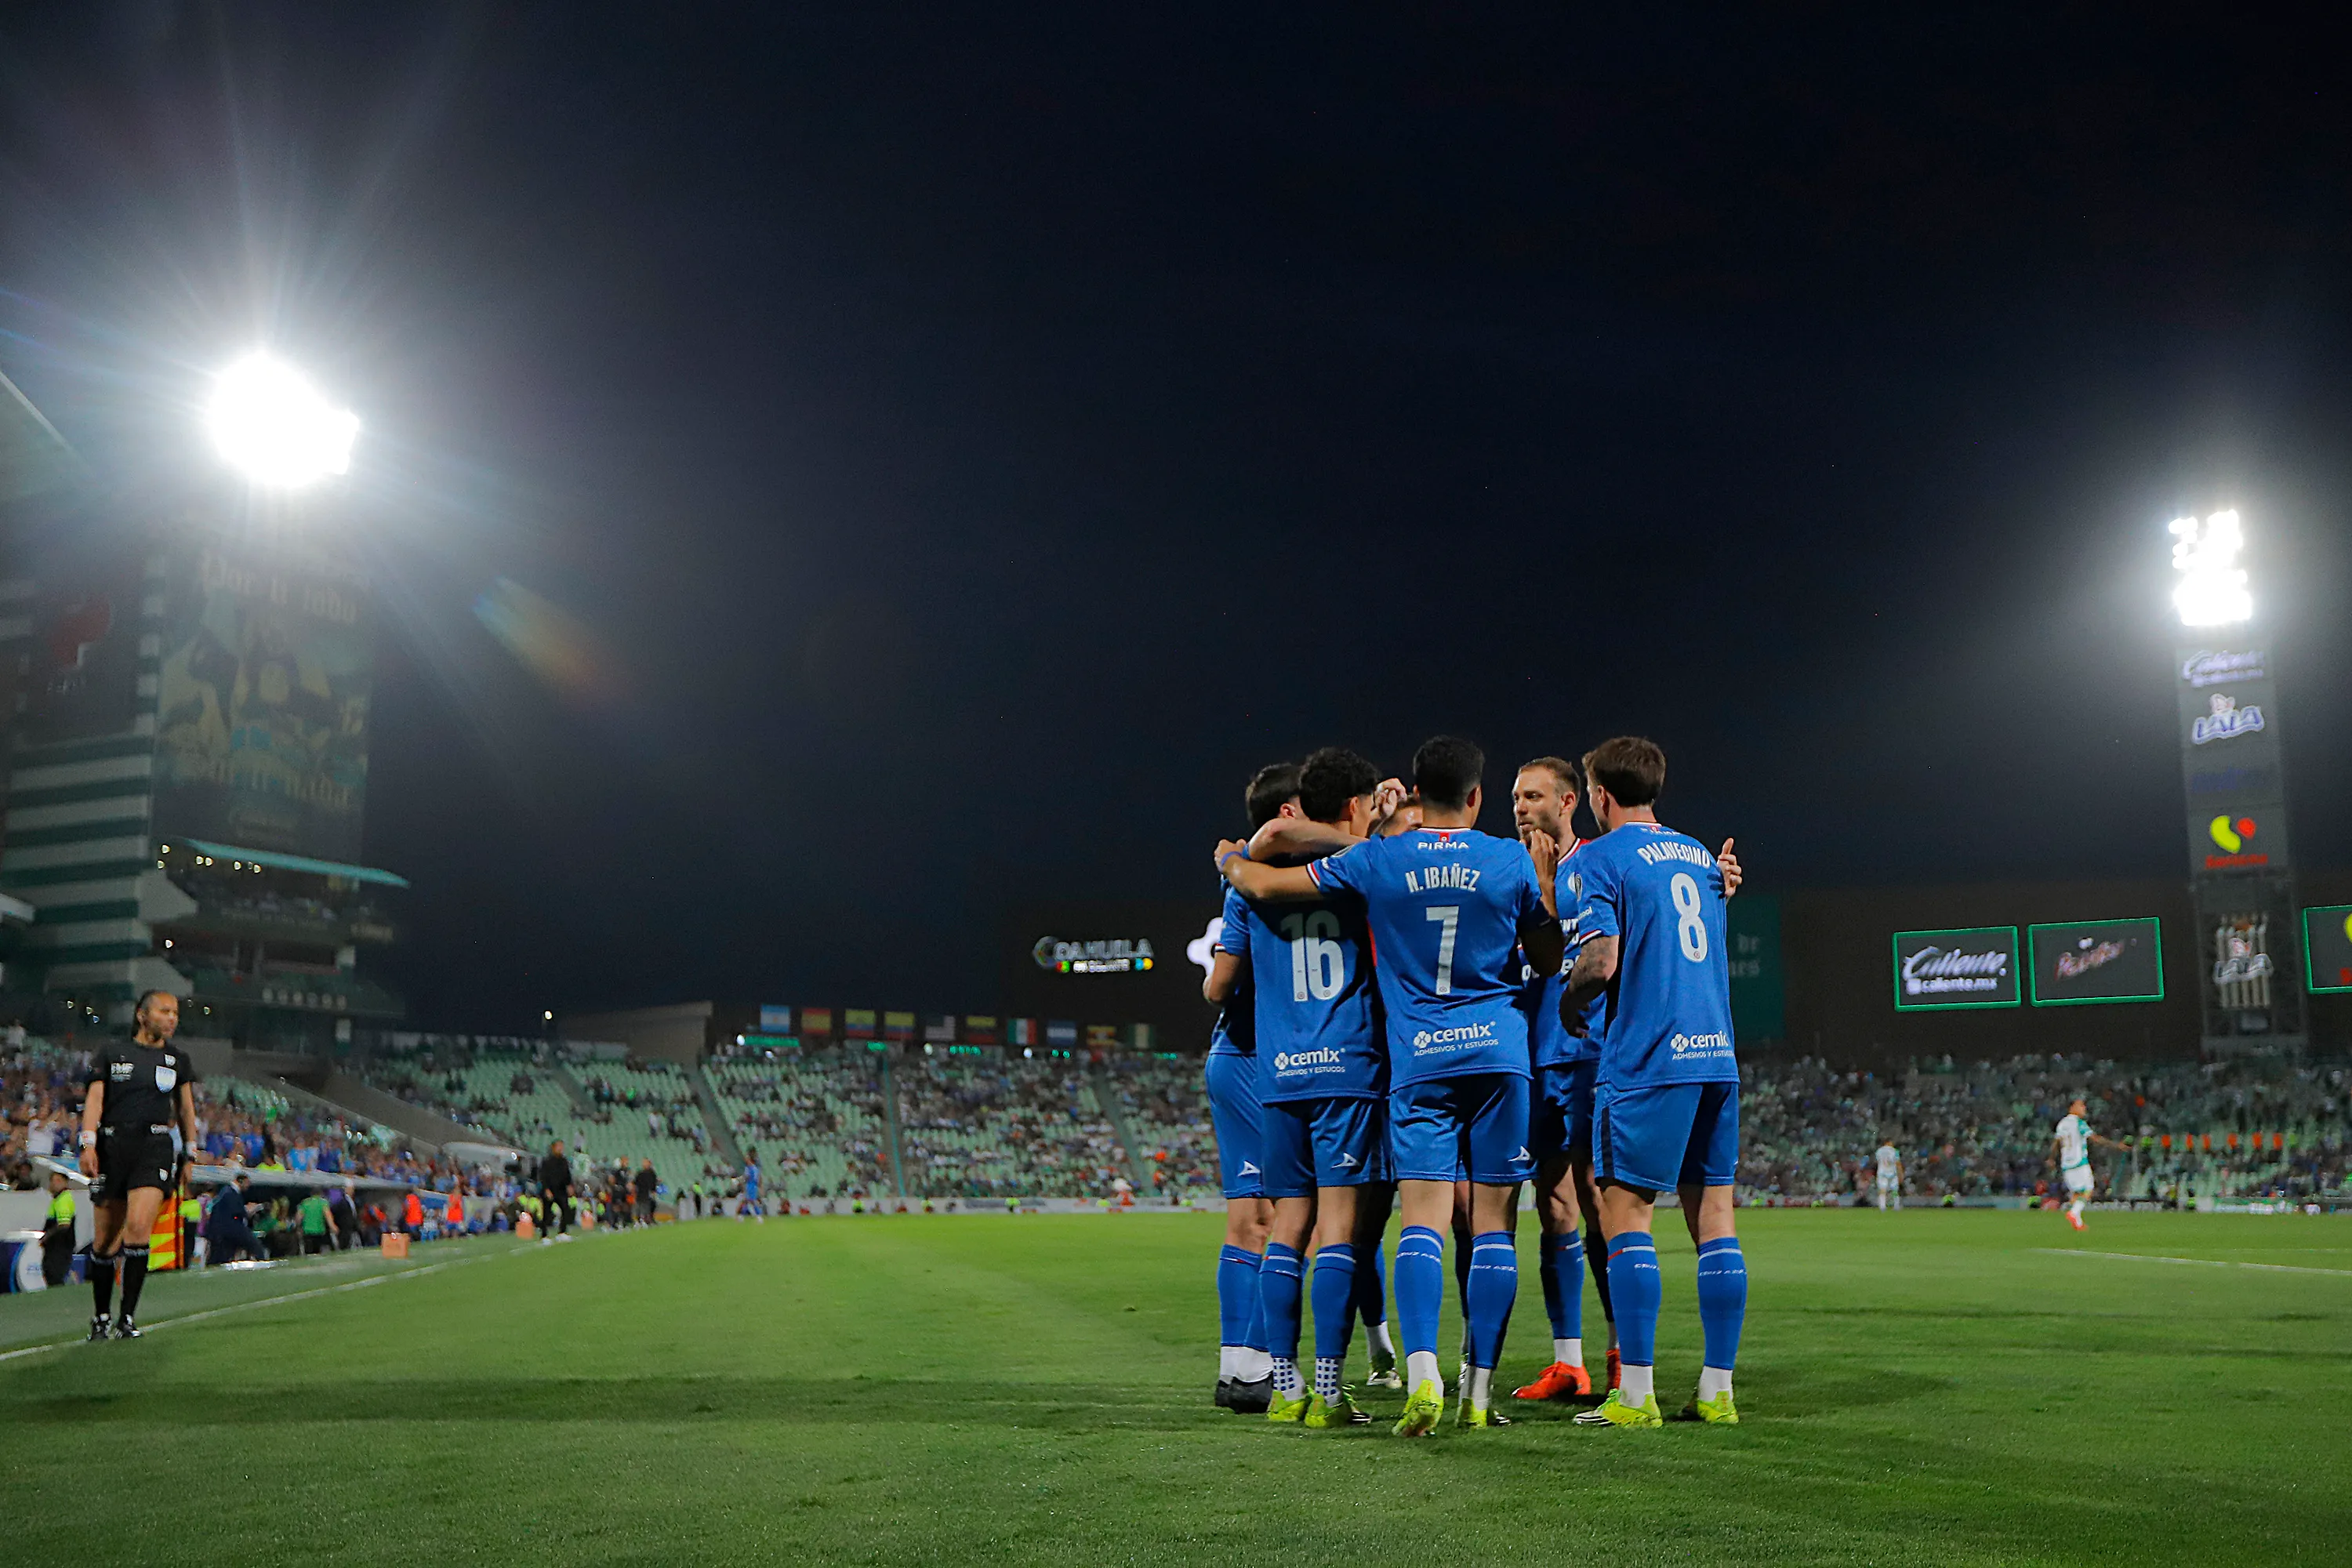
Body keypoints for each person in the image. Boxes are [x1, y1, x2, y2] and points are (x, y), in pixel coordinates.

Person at [1221, 735, 1563, 1435]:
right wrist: (1544, 886)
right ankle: (1477, 1392)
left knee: (1410, 1224)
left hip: (1393, 1065)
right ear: (1475, 796)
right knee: (1491, 1224)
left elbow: (1259, 883)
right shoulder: (1505, 856)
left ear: (1411, 789)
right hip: (1489, 1056)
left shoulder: (1375, 861)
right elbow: (1548, 955)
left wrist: (1230, 855)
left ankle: (1393, 1375)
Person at [1560, 736, 1746, 1429]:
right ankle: (1717, 1389)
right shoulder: (1699, 855)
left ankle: (1636, 1394)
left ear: (1600, 795)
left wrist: (1568, 1000)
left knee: (1626, 1219)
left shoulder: (1602, 859)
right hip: (1716, 1058)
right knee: (1717, 1224)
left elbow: (1601, 961)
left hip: (1646, 1060)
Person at [1215, 746, 1396, 1429]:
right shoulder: (1360, 869)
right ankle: (1329, 1388)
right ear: (1351, 807)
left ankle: (1284, 1387)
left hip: (1280, 1072)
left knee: (1287, 1229)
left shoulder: (1250, 880)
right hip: (1347, 1070)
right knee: (1340, 1235)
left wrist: (1232, 859)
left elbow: (1254, 872)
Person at [1200, 761, 1296, 1414]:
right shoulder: (1270, 886)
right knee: (1287, 1218)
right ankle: (1258, 1367)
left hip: (1236, 1056)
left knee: (1251, 1219)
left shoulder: (1246, 881)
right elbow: (1217, 986)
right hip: (1259, 1057)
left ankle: (1237, 1371)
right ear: (1286, 816)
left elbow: (1212, 987)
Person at [77, 989, 201, 1340]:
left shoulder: (177, 1060)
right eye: (165, 1011)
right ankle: (100, 1317)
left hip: (155, 1147)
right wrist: (88, 1143)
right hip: (112, 1146)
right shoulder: (111, 1053)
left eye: (175, 1012)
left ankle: (126, 1318)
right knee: (104, 1242)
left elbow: (187, 1109)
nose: (172, 1018)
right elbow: (96, 1099)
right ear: (142, 1016)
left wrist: (190, 1152)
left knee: (137, 1228)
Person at [2053, 1098, 2121, 1231]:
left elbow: (2056, 1143)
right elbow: (2095, 1138)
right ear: (2072, 1107)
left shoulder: (2062, 1124)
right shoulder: (2079, 1123)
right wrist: (2117, 1145)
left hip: (2066, 1164)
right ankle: (2074, 1213)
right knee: (2089, 1189)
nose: (2084, 1108)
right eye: (2081, 1106)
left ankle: (2077, 1223)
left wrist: (2051, 1159)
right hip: (2079, 1162)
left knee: (2076, 1194)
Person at [204, 1172, 263, 1264]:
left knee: (221, 1255)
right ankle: (261, 1259)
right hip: (228, 1228)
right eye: (247, 1183)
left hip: (223, 1228)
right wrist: (247, 1210)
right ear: (241, 1181)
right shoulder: (229, 1193)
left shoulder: (227, 1192)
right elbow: (235, 1212)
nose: (248, 1186)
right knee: (253, 1244)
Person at [41, 1170, 78, 1288]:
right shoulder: (58, 1200)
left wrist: (46, 1237)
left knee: (55, 1276)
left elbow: (64, 1225)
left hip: (59, 1247)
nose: (53, 1184)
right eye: (53, 1180)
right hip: (57, 1247)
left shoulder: (63, 1199)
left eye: (58, 1180)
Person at [539, 1140, 575, 1237]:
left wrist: (570, 1185)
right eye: (559, 1146)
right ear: (553, 1148)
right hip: (550, 1190)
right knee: (546, 1213)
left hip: (561, 1190)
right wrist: (546, 1189)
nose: (561, 1149)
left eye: (562, 1146)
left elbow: (567, 1175)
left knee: (566, 1210)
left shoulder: (564, 1161)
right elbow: (543, 1176)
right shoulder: (547, 1161)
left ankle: (562, 1232)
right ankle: (544, 1235)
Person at [296, 1189, 336, 1254]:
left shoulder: (305, 1202)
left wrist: (298, 1227)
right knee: (318, 1253)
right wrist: (333, 1227)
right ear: (321, 1194)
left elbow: (298, 1217)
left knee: (309, 1253)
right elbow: (328, 1215)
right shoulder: (323, 1203)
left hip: (307, 1232)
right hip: (319, 1232)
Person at [1875, 1138, 1903, 1211]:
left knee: (1882, 1189)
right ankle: (1896, 1205)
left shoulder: (1879, 1151)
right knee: (1895, 1190)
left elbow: (1878, 1162)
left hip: (1882, 1172)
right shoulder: (1895, 1151)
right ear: (1888, 1142)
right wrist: (1901, 1173)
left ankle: (1882, 1206)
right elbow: (1898, 1163)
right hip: (1892, 1172)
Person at [740, 1149, 764, 1221]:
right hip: (751, 1185)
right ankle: (743, 1216)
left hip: (751, 1185)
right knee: (747, 1200)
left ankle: (759, 1215)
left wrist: (743, 1180)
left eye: (747, 1158)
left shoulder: (751, 1168)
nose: (745, 1160)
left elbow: (749, 1177)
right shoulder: (753, 1168)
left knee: (750, 1201)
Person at [635, 1158, 659, 1225]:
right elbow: (636, 1182)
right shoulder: (640, 1173)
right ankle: (641, 1220)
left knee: (651, 1205)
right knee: (642, 1206)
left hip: (649, 1193)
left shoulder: (652, 1173)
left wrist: (654, 1191)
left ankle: (649, 1219)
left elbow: (654, 1183)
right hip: (641, 1192)